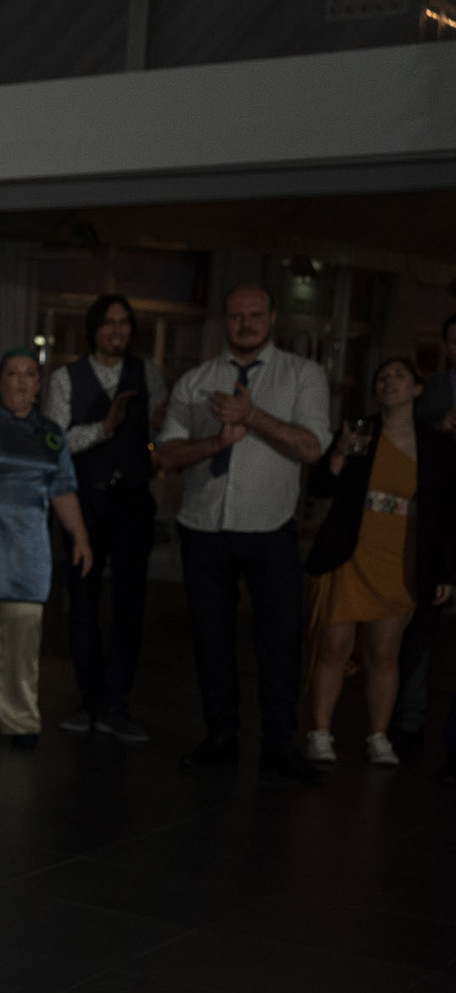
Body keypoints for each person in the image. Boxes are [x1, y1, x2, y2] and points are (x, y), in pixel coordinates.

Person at [154, 284, 333, 783]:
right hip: (203, 527)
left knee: (280, 640)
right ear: (224, 321)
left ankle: (279, 745)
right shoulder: (196, 380)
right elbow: (167, 455)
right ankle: (221, 738)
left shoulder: (303, 375)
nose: (246, 324)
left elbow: (313, 446)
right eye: (237, 316)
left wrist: (251, 416)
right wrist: (216, 440)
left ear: (273, 317)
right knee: (211, 639)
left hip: (268, 528)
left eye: (255, 315)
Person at [302, 358, 454, 766]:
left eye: (399, 376)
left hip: (399, 555)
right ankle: (319, 732)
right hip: (350, 552)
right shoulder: (360, 430)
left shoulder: (435, 444)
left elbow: (444, 514)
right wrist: (339, 452)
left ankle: (378, 736)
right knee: (335, 646)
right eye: (382, 378)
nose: (389, 383)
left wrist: (444, 571)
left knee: (384, 654)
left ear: (418, 389)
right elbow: (321, 488)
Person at [44, 293, 165, 741]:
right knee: (82, 602)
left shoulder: (148, 373)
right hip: (84, 500)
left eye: (124, 323)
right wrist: (104, 428)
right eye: (109, 323)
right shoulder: (64, 378)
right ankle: (88, 698)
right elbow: (55, 444)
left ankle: (116, 704)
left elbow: (160, 431)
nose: (117, 331)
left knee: (132, 604)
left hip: (132, 498)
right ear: (93, 330)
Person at [0, 351, 93, 750]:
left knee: (22, 646)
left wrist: (81, 537)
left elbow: (63, 488)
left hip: (27, 553)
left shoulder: (51, 433)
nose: (21, 382)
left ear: (39, 384)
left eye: (29, 375)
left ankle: (20, 720)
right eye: (12, 374)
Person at [386, 310, 456, 760]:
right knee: (421, 625)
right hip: (436, 519)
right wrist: (439, 428)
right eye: (454, 340)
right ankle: (406, 723)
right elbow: (404, 437)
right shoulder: (428, 392)